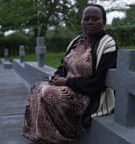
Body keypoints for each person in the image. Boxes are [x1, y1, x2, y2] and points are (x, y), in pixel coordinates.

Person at [22, 3, 118, 144]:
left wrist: (67, 82)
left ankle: (66, 136)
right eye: (86, 19)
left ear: (103, 22)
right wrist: (57, 75)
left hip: (89, 94)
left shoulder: (107, 44)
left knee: (49, 94)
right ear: (82, 22)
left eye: (95, 18)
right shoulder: (77, 41)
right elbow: (64, 66)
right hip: (69, 87)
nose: (90, 22)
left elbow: (98, 81)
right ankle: (42, 134)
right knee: (36, 88)